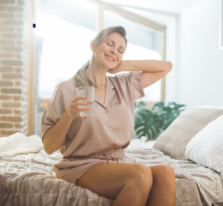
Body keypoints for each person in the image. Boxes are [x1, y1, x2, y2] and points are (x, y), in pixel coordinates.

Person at [41, 26, 175, 206]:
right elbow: (49, 147)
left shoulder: (124, 84)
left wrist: (124, 64)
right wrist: (68, 115)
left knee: (166, 173)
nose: (114, 51)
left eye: (120, 49)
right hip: (82, 164)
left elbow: (166, 67)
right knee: (141, 174)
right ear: (93, 46)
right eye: (109, 44)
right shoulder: (66, 89)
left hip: (119, 161)